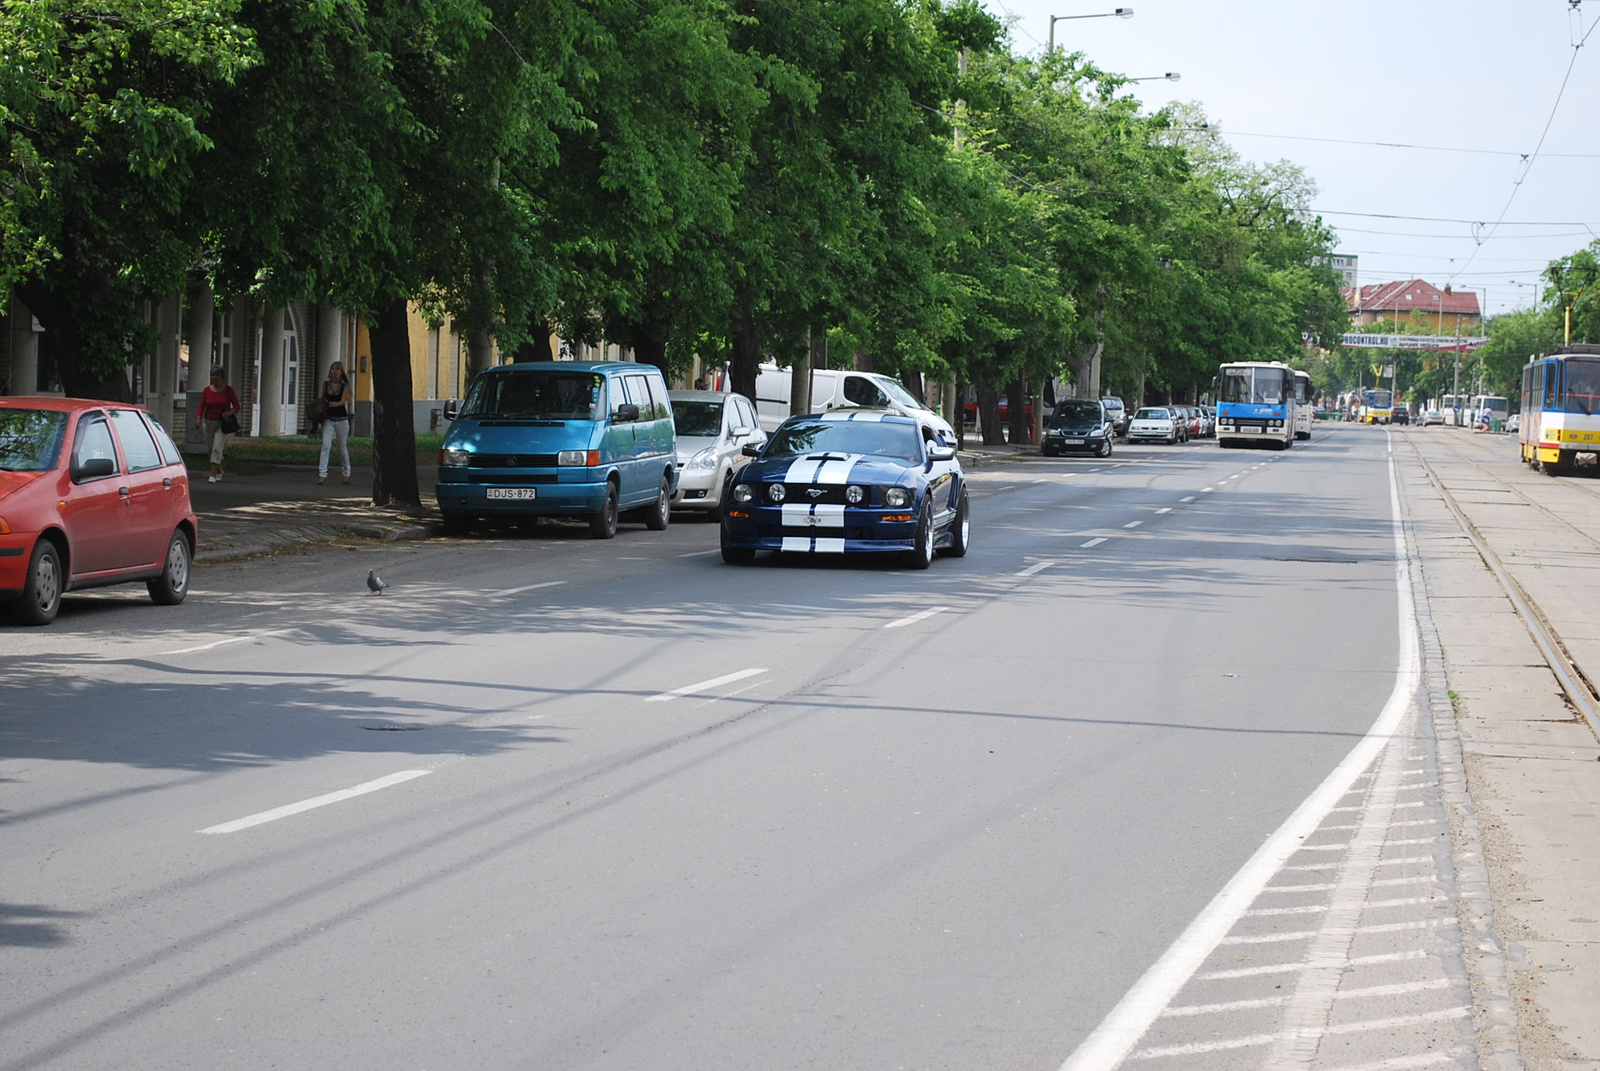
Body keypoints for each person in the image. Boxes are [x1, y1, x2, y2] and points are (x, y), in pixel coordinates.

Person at [197, 368, 241, 483]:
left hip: (222, 423)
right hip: (208, 422)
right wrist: (199, 419)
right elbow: (201, 406)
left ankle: (212, 474)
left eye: (217, 375)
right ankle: (219, 469)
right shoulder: (207, 390)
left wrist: (229, 412)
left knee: (217, 447)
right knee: (211, 449)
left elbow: (237, 406)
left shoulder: (228, 391)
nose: (214, 377)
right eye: (212, 375)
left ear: (222, 377)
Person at [318, 361, 353, 485]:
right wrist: (321, 407)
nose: (335, 371)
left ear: (341, 371)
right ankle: (322, 474)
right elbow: (322, 399)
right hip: (329, 418)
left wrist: (336, 404)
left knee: (342, 447)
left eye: (337, 369)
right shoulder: (326, 384)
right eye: (333, 368)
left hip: (341, 419)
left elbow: (344, 400)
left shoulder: (345, 386)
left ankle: (346, 472)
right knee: (326, 445)